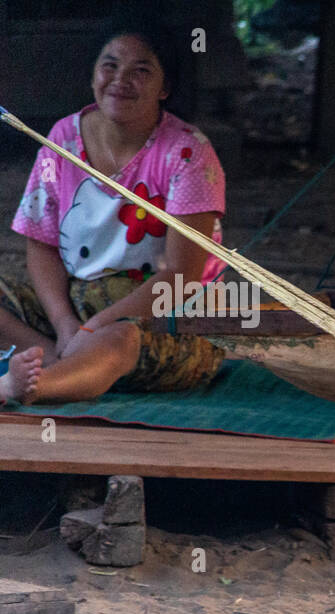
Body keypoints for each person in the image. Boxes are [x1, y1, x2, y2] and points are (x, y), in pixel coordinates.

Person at [0, 19, 227, 405]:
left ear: (165, 88)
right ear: (93, 77)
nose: (121, 80)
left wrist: (95, 328)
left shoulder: (189, 153)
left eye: (141, 71)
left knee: (120, 340)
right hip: (77, 310)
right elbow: (41, 245)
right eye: (110, 66)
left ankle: (35, 385)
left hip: (165, 319)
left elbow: (182, 275)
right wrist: (66, 324)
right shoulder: (63, 138)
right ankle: (61, 360)